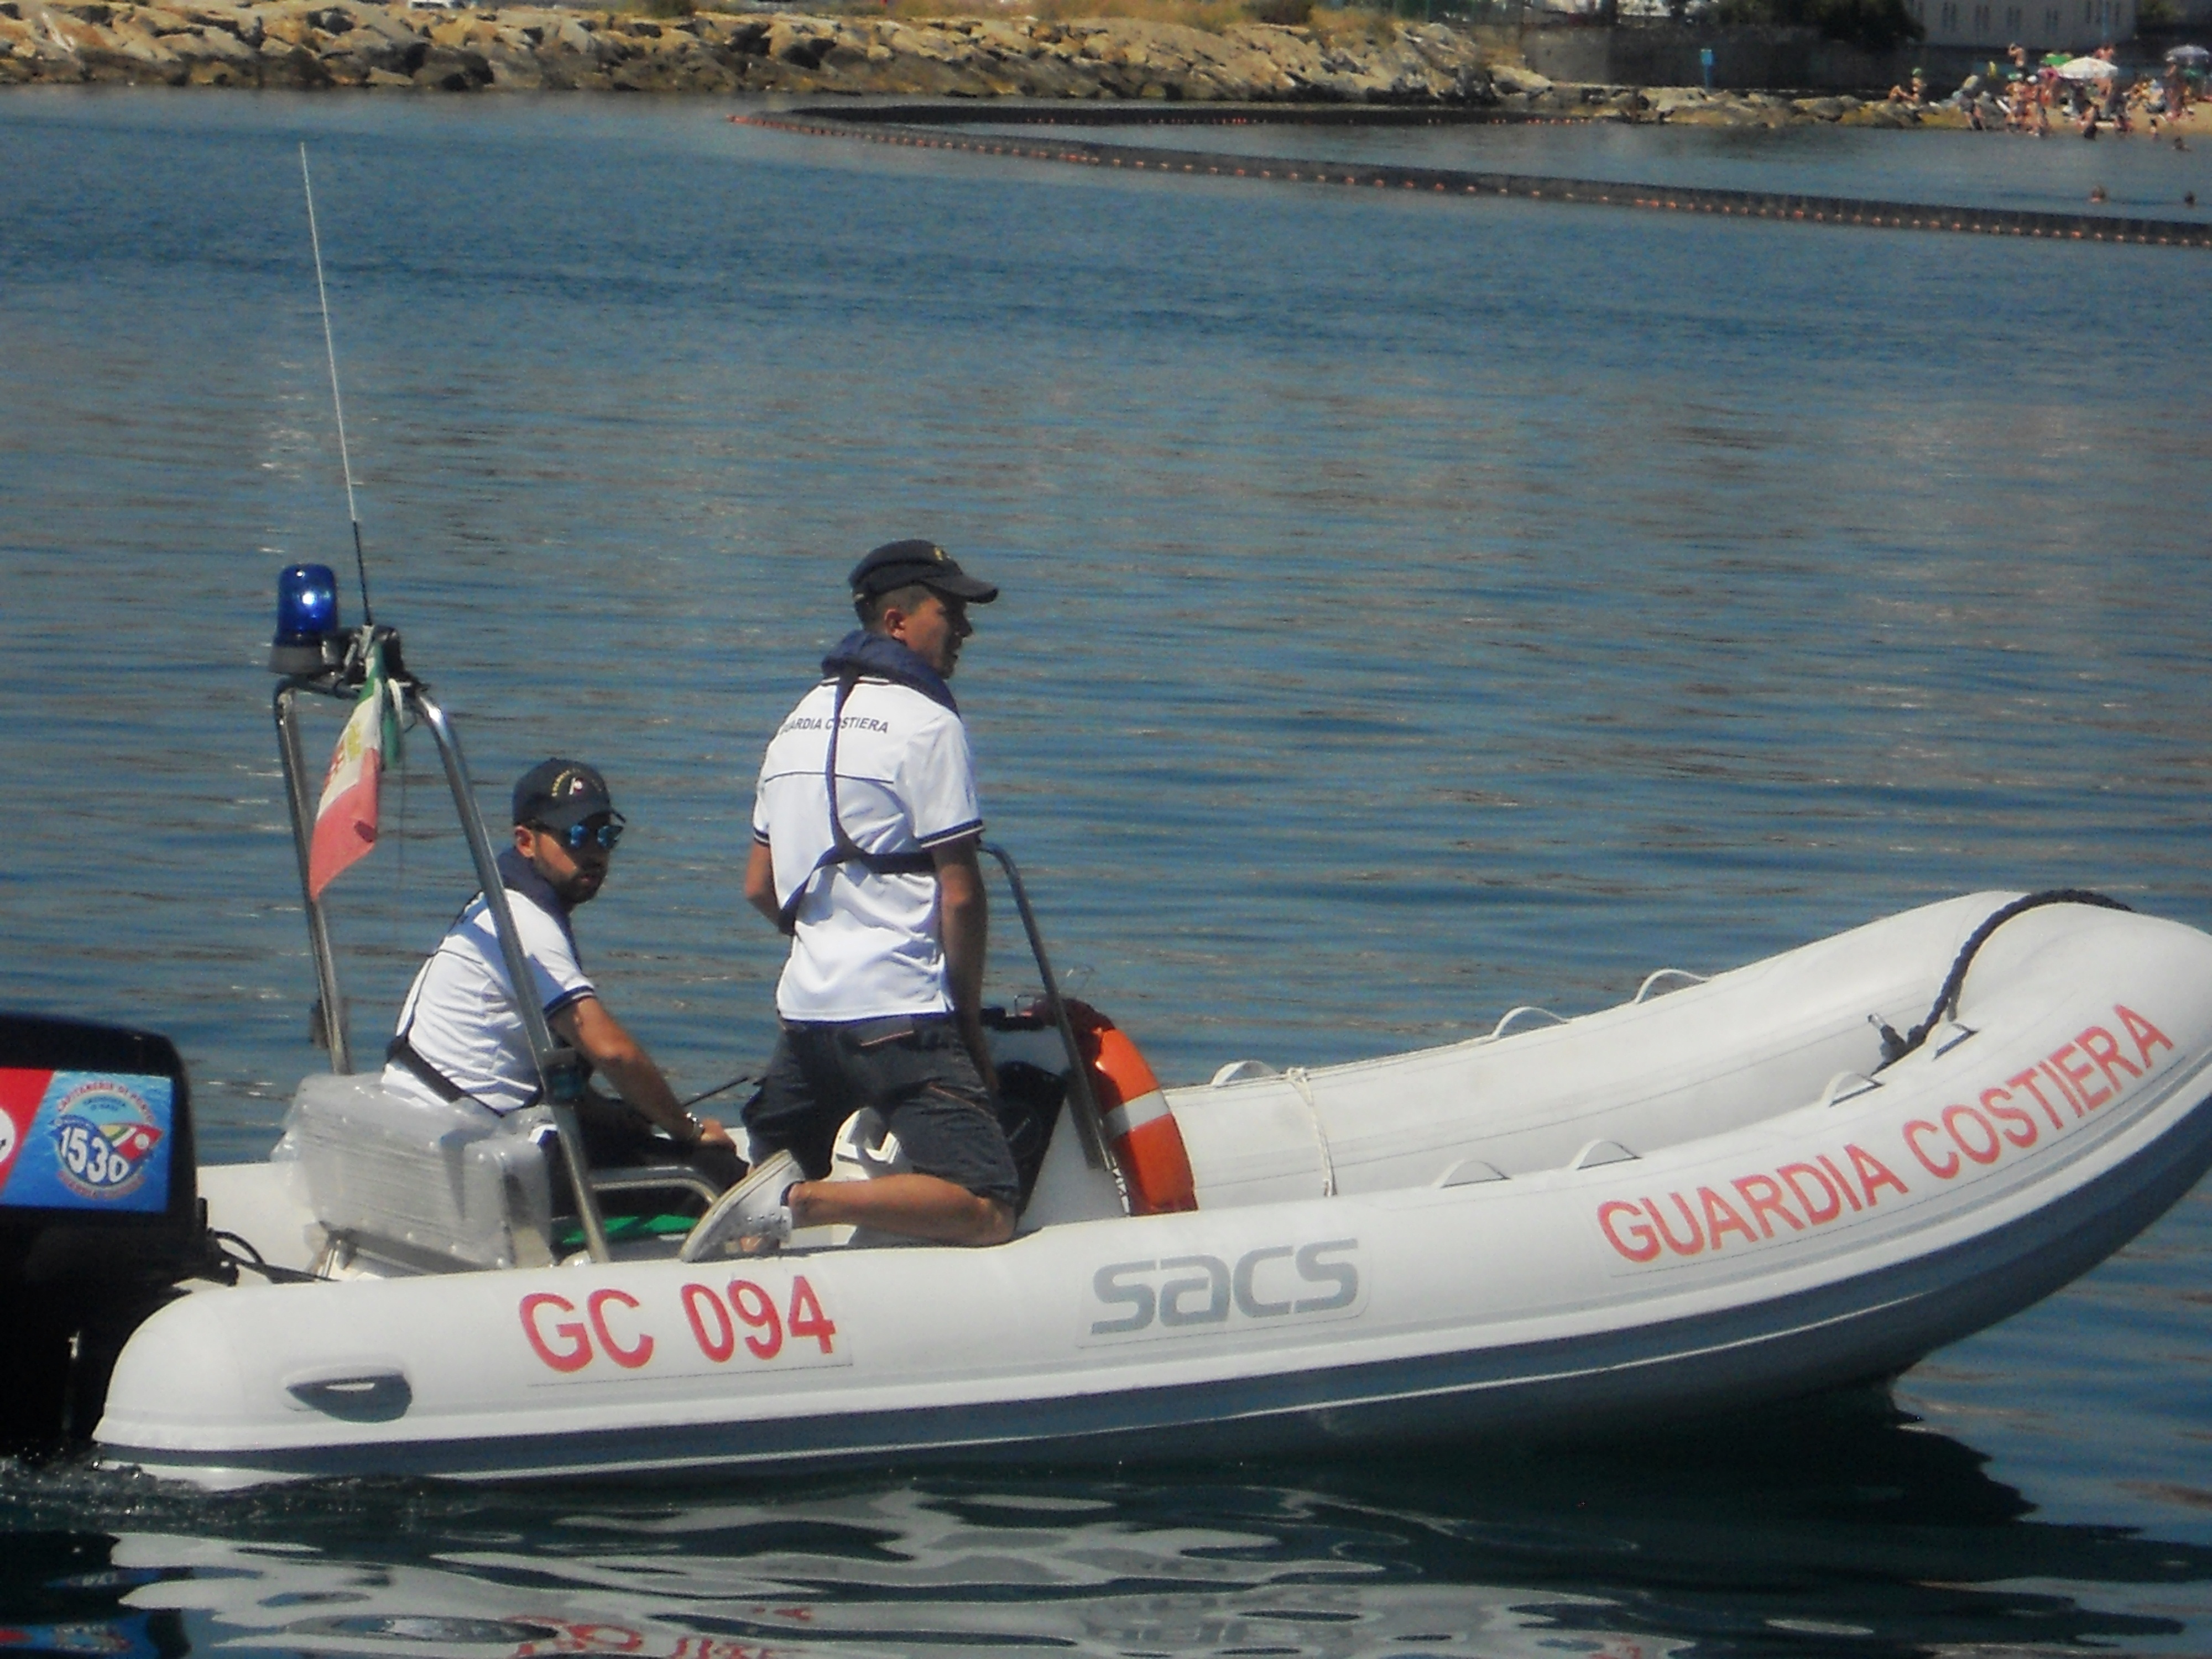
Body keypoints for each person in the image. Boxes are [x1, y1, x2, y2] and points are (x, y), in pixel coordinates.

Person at [695, 539, 1020, 1253]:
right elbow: (961, 895)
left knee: (765, 1187)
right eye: (951, 612)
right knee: (990, 1204)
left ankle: (763, 1232)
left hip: (807, 1021)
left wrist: (830, 930)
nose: (965, 630)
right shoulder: (928, 724)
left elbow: (758, 885)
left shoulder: (795, 723)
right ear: (898, 622)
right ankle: (811, 1203)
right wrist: (965, 1024)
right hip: (902, 1014)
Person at [383, 758, 740, 1190]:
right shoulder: (526, 924)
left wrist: (626, 1118)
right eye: (575, 836)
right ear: (526, 841)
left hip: (444, 1121)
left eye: (605, 836)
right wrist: (690, 1130)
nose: (592, 853)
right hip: (470, 1156)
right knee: (715, 1175)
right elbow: (612, 1052)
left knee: (622, 1128)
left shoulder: (498, 901)